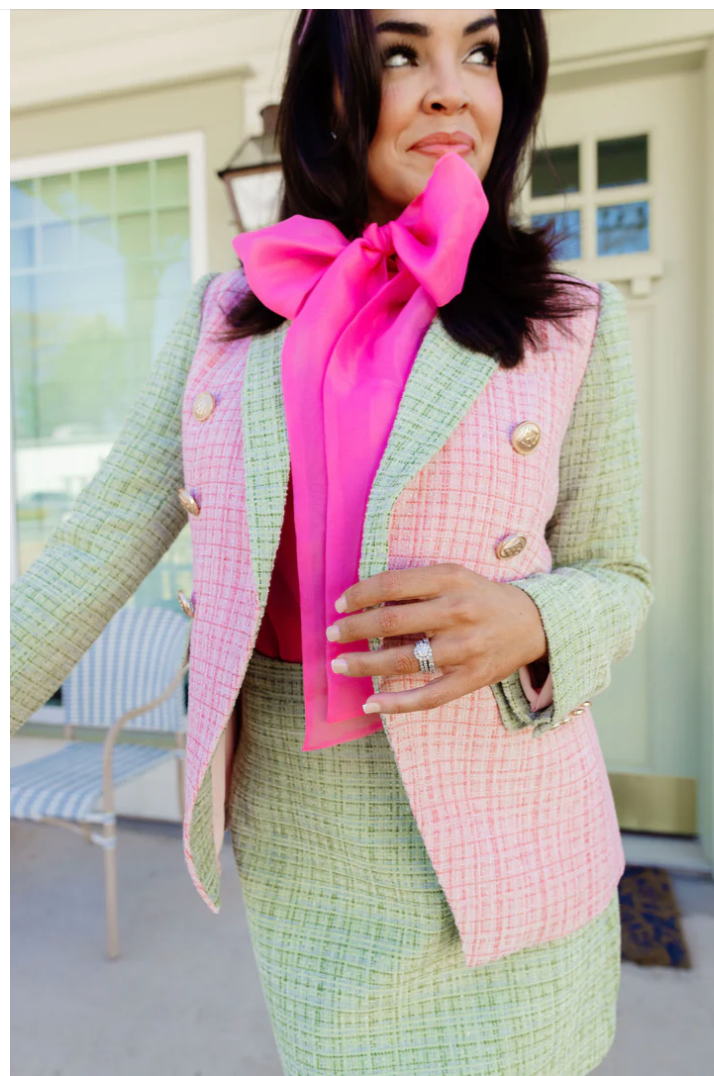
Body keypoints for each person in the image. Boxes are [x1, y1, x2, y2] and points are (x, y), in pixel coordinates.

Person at [11, 9, 654, 1075]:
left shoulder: (571, 321)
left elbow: (620, 574)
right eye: (402, 53)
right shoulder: (228, 315)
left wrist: (534, 616)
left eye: (483, 52)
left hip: (510, 842)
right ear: (332, 95)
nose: (452, 89)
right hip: (313, 847)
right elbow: (91, 549)